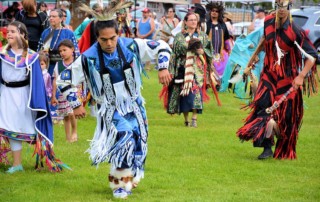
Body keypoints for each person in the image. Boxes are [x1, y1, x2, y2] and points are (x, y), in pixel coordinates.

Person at [56, 2, 172, 199]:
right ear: (97, 38)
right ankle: (118, 183)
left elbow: (162, 46)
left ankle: (129, 175)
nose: (109, 43)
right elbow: (64, 80)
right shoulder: (89, 57)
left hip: (134, 103)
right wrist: (75, 105)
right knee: (124, 136)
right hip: (109, 108)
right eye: (104, 40)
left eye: (113, 38)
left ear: (118, 34)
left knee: (138, 139)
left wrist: (163, 67)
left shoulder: (130, 46)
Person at [237, 0, 318, 160]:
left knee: (286, 115)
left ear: (290, 8)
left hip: (288, 78)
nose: (282, 10)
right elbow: (264, 42)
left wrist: (301, 76)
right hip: (269, 74)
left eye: (285, 7)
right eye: (279, 7)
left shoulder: (295, 30)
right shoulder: (268, 22)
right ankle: (266, 147)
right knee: (262, 106)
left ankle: (283, 149)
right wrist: (252, 61)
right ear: (275, 7)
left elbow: (312, 55)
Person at [0, 21, 66, 173]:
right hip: (5, 93)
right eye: (7, 31)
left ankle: (18, 164)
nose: (8, 34)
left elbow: (36, 82)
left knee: (16, 127)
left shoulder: (31, 56)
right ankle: (17, 164)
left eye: (13, 31)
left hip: (23, 96)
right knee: (7, 126)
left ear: (22, 35)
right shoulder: (3, 53)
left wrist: (39, 101)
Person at [161, 12, 214, 128]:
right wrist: (193, 47)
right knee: (185, 94)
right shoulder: (180, 36)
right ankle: (186, 120)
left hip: (197, 69)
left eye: (195, 20)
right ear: (185, 22)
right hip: (183, 68)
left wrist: (203, 52)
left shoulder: (203, 36)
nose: (194, 22)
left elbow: (209, 50)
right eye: (191, 20)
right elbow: (177, 49)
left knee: (196, 93)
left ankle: (194, 119)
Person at [52, 40, 81, 143]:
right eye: (60, 51)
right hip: (62, 93)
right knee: (65, 115)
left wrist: (82, 91)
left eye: (65, 50)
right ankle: (68, 137)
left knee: (71, 112)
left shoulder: (77, 63)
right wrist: (53, 95)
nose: (62, 53)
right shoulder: (58, 65)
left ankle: (74, 132)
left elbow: (83, 78)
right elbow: (55, 80)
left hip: (74, 91)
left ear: (72, 49)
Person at [37, 8, 79, 76]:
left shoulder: (68, 33)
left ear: (61, 19)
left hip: (65, 66)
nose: (51, 18)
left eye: (54, 16)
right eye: (50, 16)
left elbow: (76, 52)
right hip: (48, 68)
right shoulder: (45, 33)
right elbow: (39, 51)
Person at [206, 2, 233, 77]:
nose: (214, 12)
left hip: (221, 55)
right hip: (209, 55)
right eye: (213, 11)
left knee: (224, 74)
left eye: (216, 11)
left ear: (219, 13)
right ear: (210, 12)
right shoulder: (206, 24)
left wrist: (230, 51)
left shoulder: (223, 25)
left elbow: (226, 39)